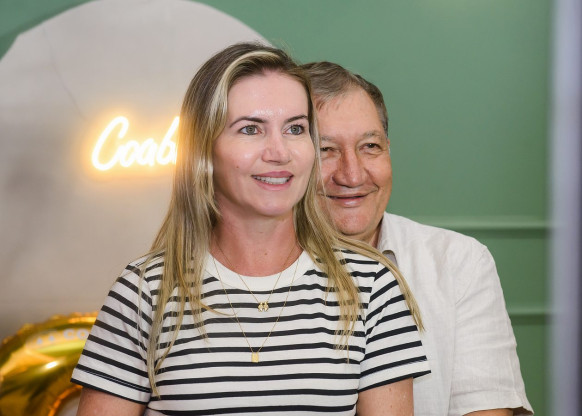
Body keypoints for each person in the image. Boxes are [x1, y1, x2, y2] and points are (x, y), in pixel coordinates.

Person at [71, 43, 430, 415]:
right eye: (250, 129)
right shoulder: (144, 291)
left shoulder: (371, 288)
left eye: (295, 129)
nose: (279, 152)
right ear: (202, 150)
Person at [300, 61, 533, 416]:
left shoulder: (458, 263)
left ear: (389, 150)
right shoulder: (245, 276)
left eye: (370, 146)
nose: (352, 174)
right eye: (325, 149)